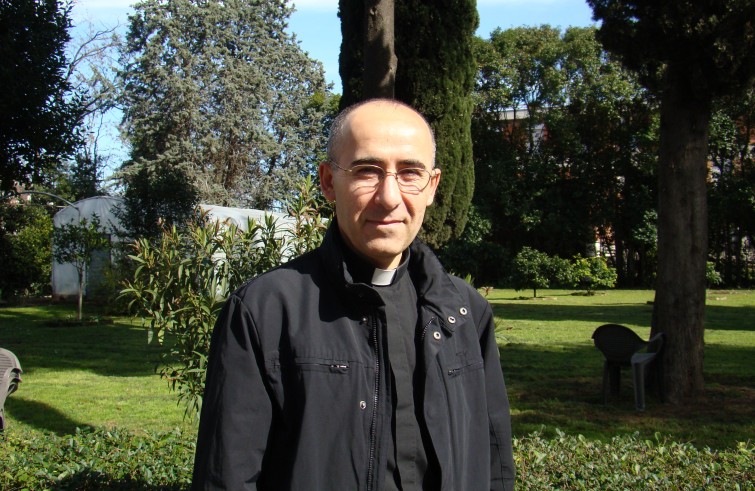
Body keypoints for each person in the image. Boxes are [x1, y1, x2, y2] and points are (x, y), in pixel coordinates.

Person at [192, 99, 515, 490]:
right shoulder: (264, 311)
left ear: (432, 187)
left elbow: (494, 462)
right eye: (367, 171)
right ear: (329, 181)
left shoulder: (464, 312)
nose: (389, 197)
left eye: (410, 173)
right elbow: (225, 477)